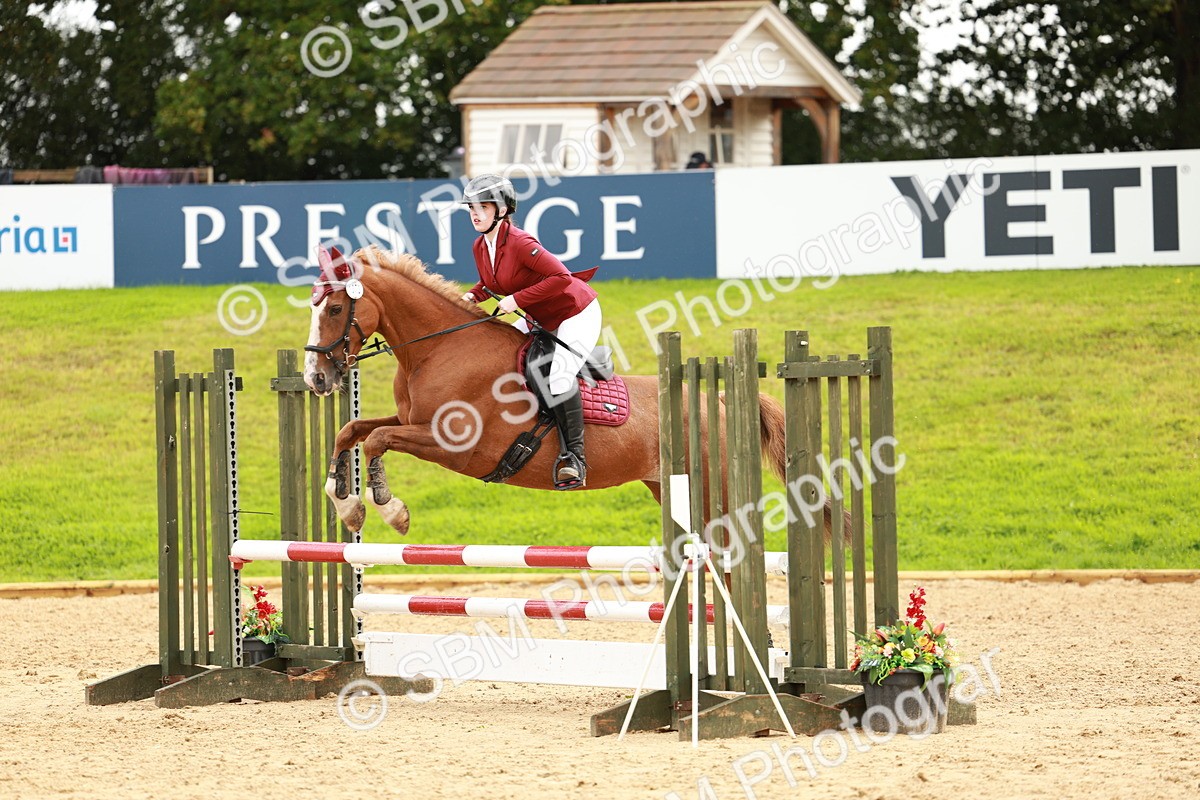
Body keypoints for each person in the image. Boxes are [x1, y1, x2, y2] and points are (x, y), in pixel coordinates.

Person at [460, 174, 601, 490]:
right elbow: (491, 282)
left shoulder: (522, 243)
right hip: (539, 315)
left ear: (502, 210)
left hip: (574, 313)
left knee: (561, 377)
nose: (475, 213)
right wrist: (471, 296)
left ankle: (575, 459)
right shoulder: (480, 245)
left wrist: (517, 300)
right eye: (471, 207)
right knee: (502, 352)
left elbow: (562, 278)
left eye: (483, 206)